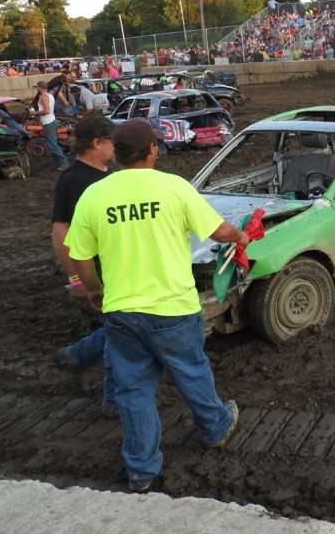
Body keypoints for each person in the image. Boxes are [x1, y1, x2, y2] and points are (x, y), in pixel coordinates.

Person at [64, 118, 250, 492]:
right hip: (173, 309)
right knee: (191, 371)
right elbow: (218, 231)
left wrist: (96, 290)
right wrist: (240, 234)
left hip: (122, 312)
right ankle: (215, 427)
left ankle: (141, 470)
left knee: (133, 392)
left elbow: (79, 256)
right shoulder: (174, 188)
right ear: (153, 149)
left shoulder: (95, 195)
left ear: (116, 152)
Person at [51, 114, 118, 414]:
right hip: (96, 268)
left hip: (116, 262)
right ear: (96, 143)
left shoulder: (108, 173)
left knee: (123, 327)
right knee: (124, 328)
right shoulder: (73, 179)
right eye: (111, 142)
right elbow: (61, 231)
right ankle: (115, 398)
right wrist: (77, 279)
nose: (115, 148)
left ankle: (76, 356)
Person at [30, 81, 69, 171]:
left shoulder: (43, 97)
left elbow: (46, 111)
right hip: (51, 121)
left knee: (52, 145)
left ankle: (63, 164)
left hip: (48, 122)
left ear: (39, 87)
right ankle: (58, 164)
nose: (36, 89)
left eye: (37, 87)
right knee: (52, 143)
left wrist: (35, 112)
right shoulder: (50, 96)